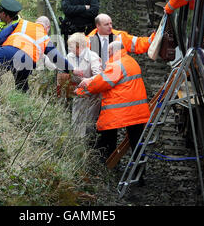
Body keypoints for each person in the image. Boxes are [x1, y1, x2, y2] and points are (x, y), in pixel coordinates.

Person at [75, 41, 151, 176]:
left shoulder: (117, 65)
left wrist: (80, 91)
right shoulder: (130, 61)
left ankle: (105, 167)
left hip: (122, 110)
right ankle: (139, 174)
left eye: (108, 53)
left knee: (106, 137)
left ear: (112, 52)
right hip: (137, 110)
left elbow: (100, 84)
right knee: (136, 142)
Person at [0, 16, 76, 92]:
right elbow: (57, 58)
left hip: (7, 51)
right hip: (26, 61)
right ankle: (20, 104)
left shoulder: (21, 23)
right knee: (22, 86)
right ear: (47, 28)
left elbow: (1, 37)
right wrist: (72, 70)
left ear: (35, 22)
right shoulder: (45, 38)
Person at [66, 32, 102, 138]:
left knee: (88, 124)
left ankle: (87, 148)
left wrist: (87, 80)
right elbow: (63, 71)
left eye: (71, 46)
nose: (69, 48)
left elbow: (99, 76)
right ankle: (76, 147)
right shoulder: (70, 56)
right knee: (76, 122)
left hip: (92, 95)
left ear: (79, 46)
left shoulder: (93, 57)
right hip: (78, 93)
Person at [87, 13, 155, 69]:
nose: (110, 26)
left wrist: (154, 38)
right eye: (106, 24)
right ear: (98, 26)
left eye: (111, 23)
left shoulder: (120, 36)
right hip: (98, 77)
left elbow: (138, 43)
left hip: (116, 75)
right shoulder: (88, 40)